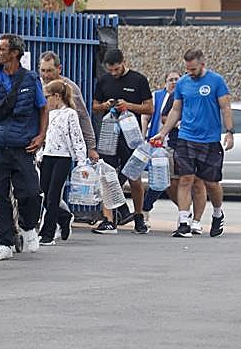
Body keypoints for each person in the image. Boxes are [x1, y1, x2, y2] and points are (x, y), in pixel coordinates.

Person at [0, 34, 47, 261]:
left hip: (23, 145)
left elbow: (42, 108)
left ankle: (28, 227)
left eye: (1, 49)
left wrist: (41, 136)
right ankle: (4, 242)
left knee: (30, 192)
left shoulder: (30, 79)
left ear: (15, 53)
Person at [151, 48, 233, 238]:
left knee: (211, 184)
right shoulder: (182, 83)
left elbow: (226, 107)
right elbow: (176, 110)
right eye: (187, 69)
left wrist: (229, 131)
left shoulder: (216, 81)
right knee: (185, 179)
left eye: (193, 69)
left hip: (210, 140)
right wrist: (162, 133)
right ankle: (183, 222)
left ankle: (217, 213)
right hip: (186, 138)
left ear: (202, 65)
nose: (190, 73)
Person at [91, 49, 153, 234]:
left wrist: (129, 106)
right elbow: (94, 106)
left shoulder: (138, 80)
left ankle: (139, 216)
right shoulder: (104, 81)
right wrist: (104, 105)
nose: (113, 73)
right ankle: (108, 219)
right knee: (106, 176)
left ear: (123, 62)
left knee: (134, 177)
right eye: (110, 70)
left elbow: (149, 108)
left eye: (116, 69)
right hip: (109, 134)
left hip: (130, 135)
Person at [147, 70, 207, 229]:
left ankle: (196, 221)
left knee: (197, 182)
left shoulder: (204, 94)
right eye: (171, 79)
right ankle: (184, 213)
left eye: (177, 79)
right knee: (173, 182)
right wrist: (177, 123)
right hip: (175, 144)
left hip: (199, 143)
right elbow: (165, 116)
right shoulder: (176, 95)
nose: (174, 82)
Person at [38, 79, 87, 245]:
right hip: (47, 156)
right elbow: (44, 136)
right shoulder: (49, 114)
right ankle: (64, 217)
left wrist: (81, 162)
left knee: (53, 195)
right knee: (43, 193)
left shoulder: (70, 114)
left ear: (56, 96)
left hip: (63, 157)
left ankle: (48, 233)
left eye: (47, 97)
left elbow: (77, 138)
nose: (45, 101)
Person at [37, 51, 96, 160]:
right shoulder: (36, 85)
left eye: (49, 71)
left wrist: (91, 147)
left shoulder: (69, 87)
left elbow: (83, 116)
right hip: (39, 144)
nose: (45, 75)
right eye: (42, 70)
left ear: (59, 68)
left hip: (61, 149)